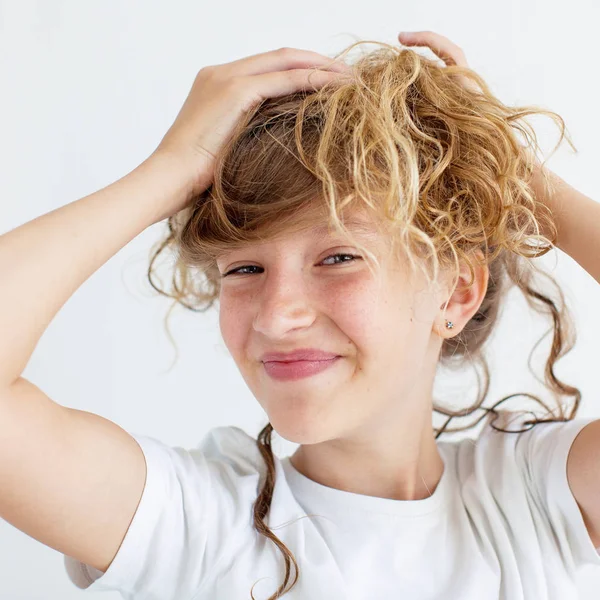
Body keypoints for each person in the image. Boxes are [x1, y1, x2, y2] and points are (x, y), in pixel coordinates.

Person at [0, 30, 599, 600]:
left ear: (456, 291)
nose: (276, 316)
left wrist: (514, 175)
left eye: (339, 257)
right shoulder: (195, 525)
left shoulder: (533, 497)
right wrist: (170, 170)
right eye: (243, 269)